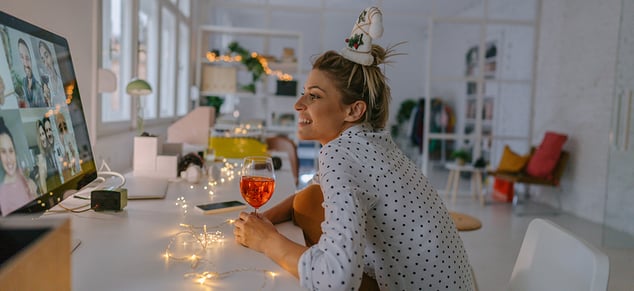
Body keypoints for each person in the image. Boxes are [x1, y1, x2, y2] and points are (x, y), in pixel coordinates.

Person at [233, 6, 474, 291]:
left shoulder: (339, 153)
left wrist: (266, 241)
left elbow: (337, 281)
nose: (298, 105)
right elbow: (314, 192)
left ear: (353, 110)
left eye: (314, 96)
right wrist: (266, 220)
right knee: (307, 200)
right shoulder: (374, 142)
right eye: (303, 94)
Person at [0, 117, 38, 216]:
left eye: (11, 150)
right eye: (3, 152)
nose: (9, 159)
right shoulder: (2, 193)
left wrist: (34, 188)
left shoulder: (21, 173)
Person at [17, 38, 47, 108]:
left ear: (31, 60)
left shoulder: (39, 86)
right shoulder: (23, 82)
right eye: (22, 57)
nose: (25, 63)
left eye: (27, 58)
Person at [38, 40, 64, 105]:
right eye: (43, 60)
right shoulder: (46, 86)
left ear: (51, 56)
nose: (46, 64)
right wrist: (48, 100)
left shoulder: (62, 82)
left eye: (46, 56)